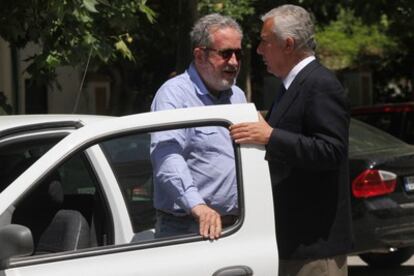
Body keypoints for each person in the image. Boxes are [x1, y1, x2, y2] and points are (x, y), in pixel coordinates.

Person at [229, 5, 353, 276]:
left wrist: (271, 136)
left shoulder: (320, 84)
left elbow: (332, 151)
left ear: (288, 44)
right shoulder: (291, 86)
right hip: (292, 243)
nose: (259, 50)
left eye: (264, 41)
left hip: (315, 248)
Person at [150, 13, 247, 240]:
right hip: (186, 227)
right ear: (200, 55)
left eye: (238, 53)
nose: (233, 62)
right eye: (225, 53)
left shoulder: (238, 96)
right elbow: (166, 156)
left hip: (237, 225)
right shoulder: (174, 94)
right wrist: (198, 207)